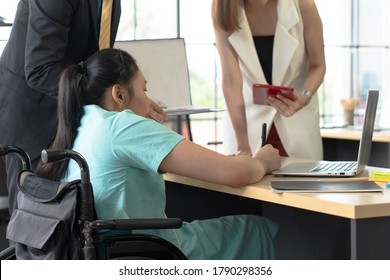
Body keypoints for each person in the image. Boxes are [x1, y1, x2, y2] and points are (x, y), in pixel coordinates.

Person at [37, 48, 281, 259]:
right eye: (144, 89)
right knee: (256, 228)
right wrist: (262, 161)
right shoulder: (123, 126)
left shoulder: (84, 122)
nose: (149, 99)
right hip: (145, 250)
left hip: (101, 251)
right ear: (119, 94)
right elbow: (235, 174)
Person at [0, 0, 167, 215]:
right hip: (32, 115)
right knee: (33, 222)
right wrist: (113, 98)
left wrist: (131, 97)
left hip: (71, 114)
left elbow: (96, 68)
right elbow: (40, 70)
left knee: (66, 218)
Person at [211, 0, 326, 159]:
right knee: (249, 181)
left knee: (301, 180)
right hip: (246, 123)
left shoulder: (303, 5)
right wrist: (243, 146)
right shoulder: (224, 9)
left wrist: (304, 97)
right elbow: (231, 81)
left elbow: (318, 65)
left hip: (296, 120)